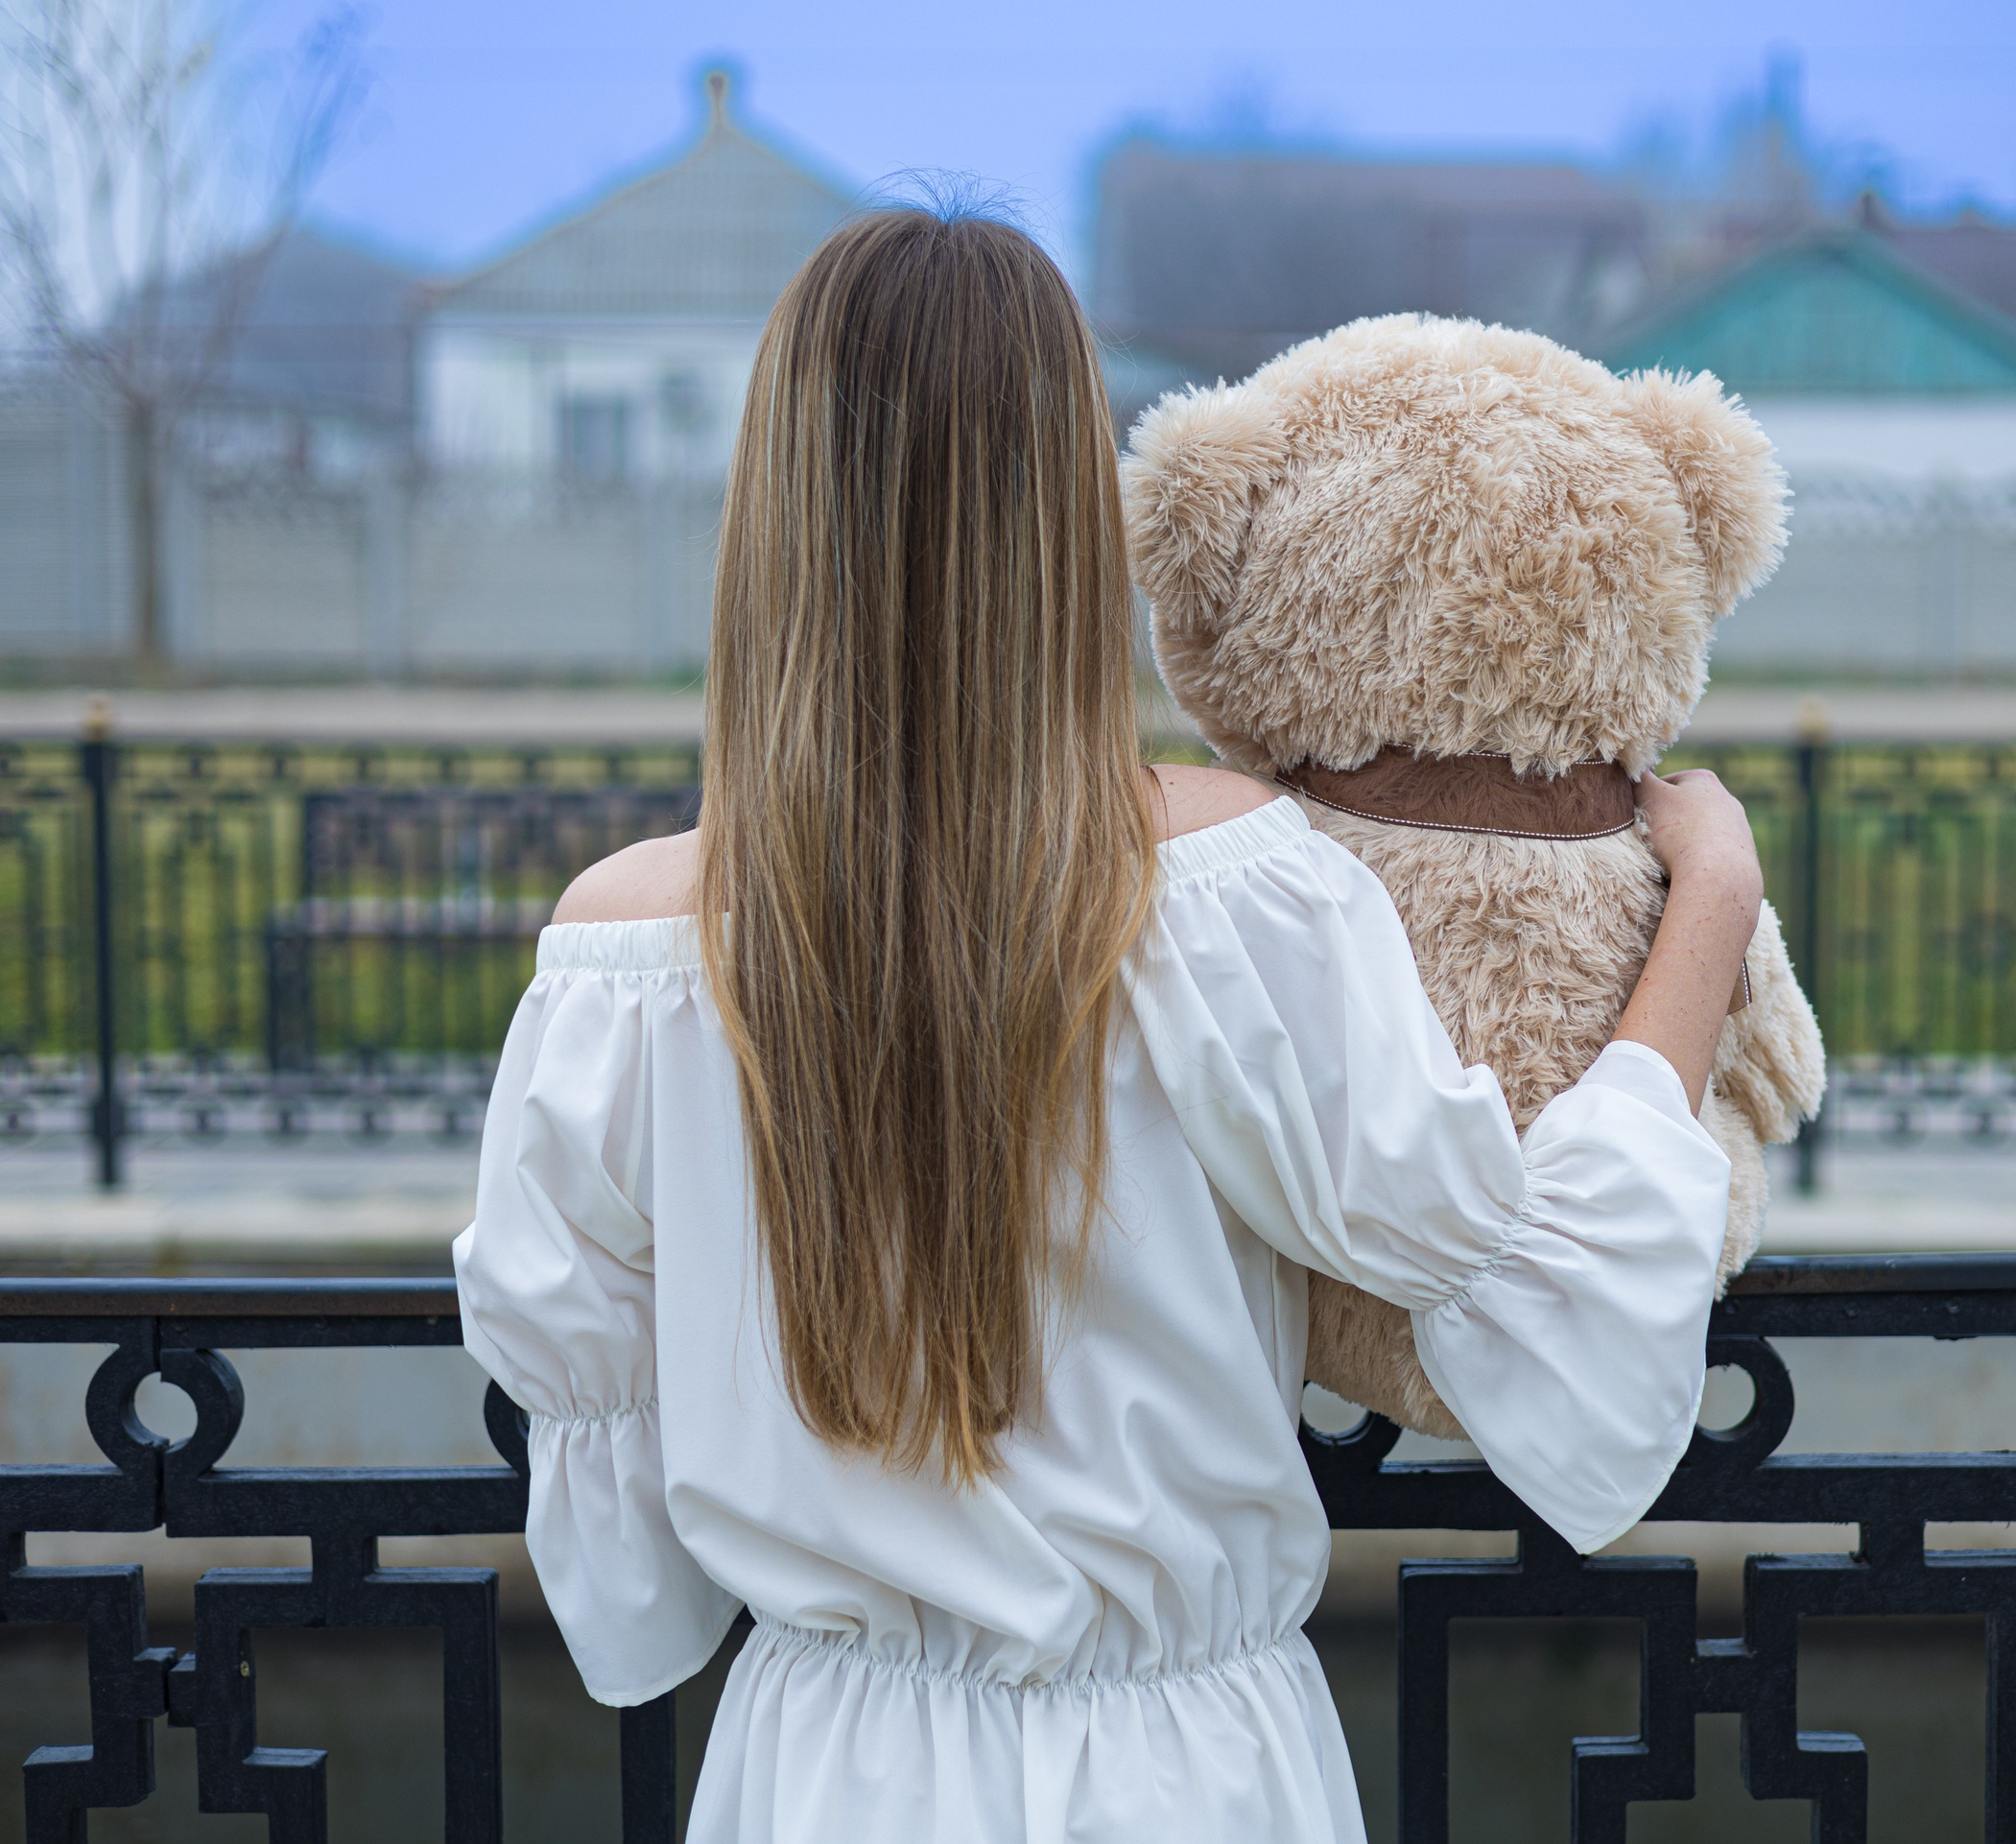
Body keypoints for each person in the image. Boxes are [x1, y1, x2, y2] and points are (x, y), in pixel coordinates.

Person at [451, 206, 1764, 1844]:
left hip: (822, 1777)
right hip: (1191, 1778)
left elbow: (624, 1566)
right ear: (1070, 511)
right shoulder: (1235, 892)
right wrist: (1710, 890)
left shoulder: (621, 961)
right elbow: (1557, 1311)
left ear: (771, 512)